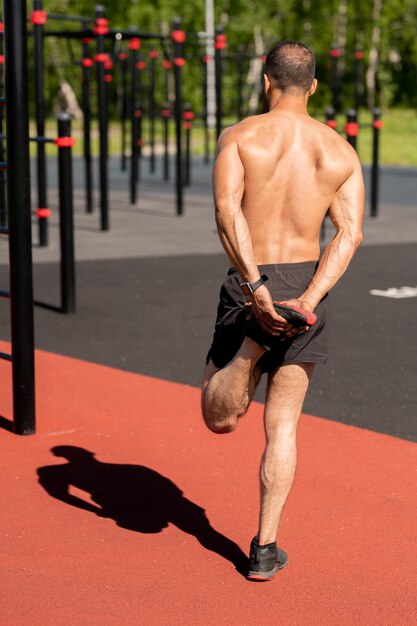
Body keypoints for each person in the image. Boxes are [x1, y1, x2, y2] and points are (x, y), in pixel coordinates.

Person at [201, 41, 364, 581]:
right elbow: (350, 234)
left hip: (254, 281)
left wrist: (255, 291)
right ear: (313, 86)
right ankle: (265, 550)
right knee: (284, 425)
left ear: (265, 79)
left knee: (218, 418)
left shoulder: (241, 137)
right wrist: (307, 302)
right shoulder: (340, 151)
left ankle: (251, 345)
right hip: (303, 288)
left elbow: (227, 212)